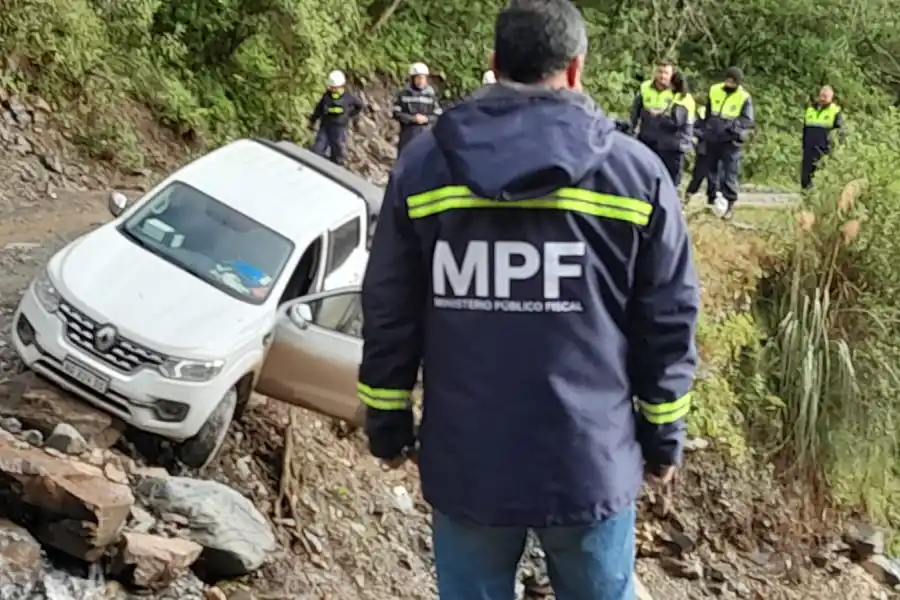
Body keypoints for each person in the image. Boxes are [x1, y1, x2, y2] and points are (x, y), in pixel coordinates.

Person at [358, 0, 699, 598]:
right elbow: (667, 320)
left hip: (469, 463)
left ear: (493, 63)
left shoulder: (424, 167)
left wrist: (387, 422)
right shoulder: (636, 175)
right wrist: (663, 437)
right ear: (575, 69)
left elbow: (390, 306)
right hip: (589, 462)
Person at [703, 66, 754, 219]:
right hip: (713, 137)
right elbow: (708, 112)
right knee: (711, 172)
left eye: (733, 82)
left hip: (731, 140)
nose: (729, 83)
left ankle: (729, 205)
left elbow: (748, 120)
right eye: (728, 80)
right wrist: (706, 128)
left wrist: (732, 126)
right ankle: (712, 202)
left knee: (729, 173)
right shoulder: (714, 90)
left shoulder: (744, 97)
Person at [308, 70, 364, 166]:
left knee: (337, 151)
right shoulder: (326, 97)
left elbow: (359, 105)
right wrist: (312, 121)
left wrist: (351, 115)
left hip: (339, 129)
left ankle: (335, 167)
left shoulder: (348, 97)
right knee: (318, 148)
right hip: (325, 126)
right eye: (331, 87)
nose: (332, 89)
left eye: (334, 88)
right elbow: (319, 109)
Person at [629, 59, 676, 159]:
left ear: (671, 75)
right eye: (660, 72)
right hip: (645, 136)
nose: (662, 76)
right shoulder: (645, 87)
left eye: (666, 73)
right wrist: (632, 129)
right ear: (655, 72)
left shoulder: (676, 92)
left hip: (665, 141)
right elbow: (635, 110)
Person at [392, 62, 442, 153]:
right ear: (412, 78)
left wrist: (426, 119)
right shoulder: (403, 94)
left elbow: (437, 114)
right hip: (408, 132)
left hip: (426, 132)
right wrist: (412, 119)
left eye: (423, 78)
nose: (421, 81)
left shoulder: (431, 95)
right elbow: (396, 112)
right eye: (418, 78)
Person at [801, 85, 844, 189]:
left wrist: (836, 148)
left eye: (825, 96)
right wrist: (803, 143)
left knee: (820, 173)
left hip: (824, 147)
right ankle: (805, 193)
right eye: (821, 95)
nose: (822, 98)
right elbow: (805, 128)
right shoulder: (810, 109)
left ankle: (818, 195)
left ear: (831, 97)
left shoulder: (835, 111)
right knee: (806, 174)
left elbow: (839, 131)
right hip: (809, 146)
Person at [657, 71, 696, 185]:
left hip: (676, 142)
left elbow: (675, 122)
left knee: (672, 175)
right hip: (673, 141)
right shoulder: (678, 96)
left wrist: (660, 118)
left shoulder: (682, 100)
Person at [683, 102, 708, 203]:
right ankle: (688, 195)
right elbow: (692, 130)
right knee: (698, 176)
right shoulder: (699, 121)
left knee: (715, 178)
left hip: (716, 151)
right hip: (703, 152)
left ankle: (713, 200)